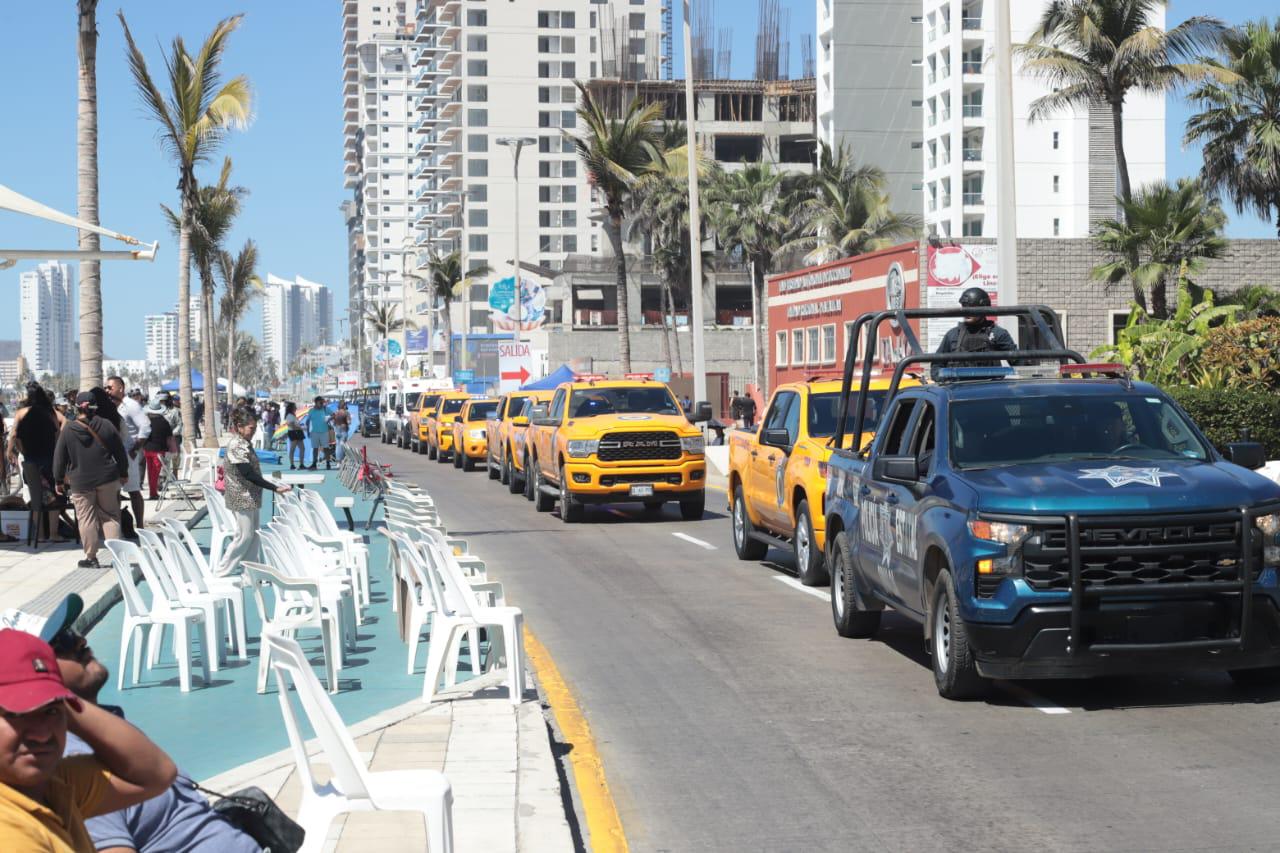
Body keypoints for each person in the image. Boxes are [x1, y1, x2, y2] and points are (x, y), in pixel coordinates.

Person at [14, 595, 262, 853]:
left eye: (73, 631)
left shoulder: (105, 733)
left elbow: (160, 774)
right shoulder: (69, 761)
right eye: (62, 642)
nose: (81, 641)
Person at [0, 625, 177, 852]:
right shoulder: (11, 837)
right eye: (16, 714)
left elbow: (157, 774)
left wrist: (51, 693)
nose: (42, 734)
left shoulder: (53, 785)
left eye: (51, 711)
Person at [53, 393, 129, 569]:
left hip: (81, 481)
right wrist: (123, 472)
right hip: (108, 478)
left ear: (77, 407)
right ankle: (117, 557)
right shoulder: (107, 425)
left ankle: (91, 557)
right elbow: (119, 451)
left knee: (86, 519)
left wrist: (58, 480)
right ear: (95, 407)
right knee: (110, 516)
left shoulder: (69, 429)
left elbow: (59, 458)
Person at [224, 408, 293, 579]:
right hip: (241, 496)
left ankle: (251, 575)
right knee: (244, 536)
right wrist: (274, 488)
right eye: (250, 429)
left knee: (253, 535)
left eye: (254, 429)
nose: (253, 432)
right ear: (239, 427)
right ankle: (221, 571)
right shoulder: (236, 445)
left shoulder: (245, 443)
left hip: (251, 496)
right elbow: (247, 473)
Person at [6, 383, 67, 545]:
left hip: (30, 461)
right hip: (49, 459)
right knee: (54, 497)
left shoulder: (21, 413)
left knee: (35, 498)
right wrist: (56, 447)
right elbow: (61, 427)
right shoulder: (50, 412)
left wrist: (15, 451)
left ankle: (39, 535)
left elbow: (14, 436)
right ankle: (53, 533)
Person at [932, 286, 1018, 378]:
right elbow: (936, 366)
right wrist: (944, 379)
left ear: (984, 308)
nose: (967, 311)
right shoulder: (952, 335)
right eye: (964, 307)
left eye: (971, 307)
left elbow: (1020, 362)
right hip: (958, 388)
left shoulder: (997, 334)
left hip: (989, 388)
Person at [106, 377, 150, 532]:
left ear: (120, 388)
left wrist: (135, 449)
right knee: (114, 492)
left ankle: (140, 526)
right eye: (106, 387)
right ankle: (117, 526)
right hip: (113, 456)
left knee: (133, 491)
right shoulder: (110, 406)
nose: (107, 390)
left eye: (110, 387)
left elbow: (145, 428)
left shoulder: (131, 405)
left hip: (128, 455)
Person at [142, 399, 173, 501]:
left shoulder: (146, 421)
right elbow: (169, 438)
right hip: (159, 451)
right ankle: (153, 493)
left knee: (150, 472)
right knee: (155, 473)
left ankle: (153, 492)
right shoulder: (164, 422)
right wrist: (173, 450)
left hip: (147, 450)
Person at [304, 397, 332, 471]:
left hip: (324, 432)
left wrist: (329, 419)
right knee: (315, 448)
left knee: (326, 448)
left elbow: (334, 415)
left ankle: (328, 463)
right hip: (314, 432)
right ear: (316, 403)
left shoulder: (326, 409)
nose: (322, 404)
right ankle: (314, 464)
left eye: (322, 403)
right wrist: (307, 432)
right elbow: (307, 422)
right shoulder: (311, 411)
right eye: (320, 403)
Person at [284, 402, 305, 470]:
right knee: (293, 449)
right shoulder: (289, 415)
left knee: (302, 448)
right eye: (294, 406)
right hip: (294, 432)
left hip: (297, 432)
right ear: (291, 408)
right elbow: (292, 426)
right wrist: (302, 428)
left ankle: (301, 464)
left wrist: (300, 428)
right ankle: (292, 464)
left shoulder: (293, 415)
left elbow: (294, 425)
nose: (296, 408)